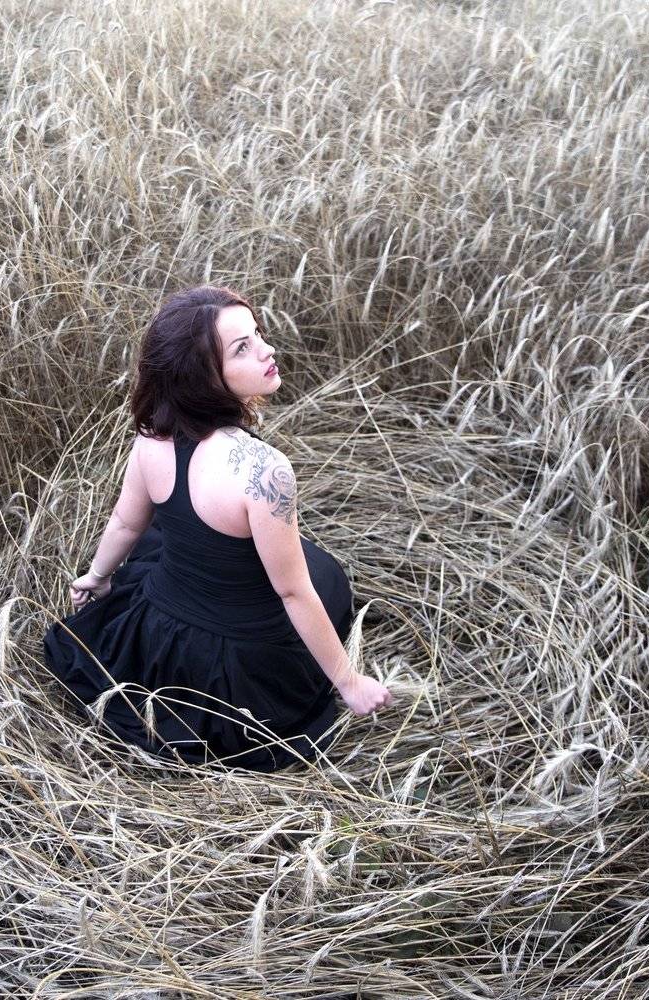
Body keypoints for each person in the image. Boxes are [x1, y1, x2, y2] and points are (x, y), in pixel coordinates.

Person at [41, 284, 393, 771]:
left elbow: (125, 521)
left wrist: (98, 577)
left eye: (258, 334)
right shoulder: (264, 470)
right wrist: (349, 683)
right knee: (326, 577)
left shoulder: (153, 436)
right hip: (235, 666)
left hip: (158, 631)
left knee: (164, 539)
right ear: (202, 376)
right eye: (242, 348)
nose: (267, 350)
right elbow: (293, 593)